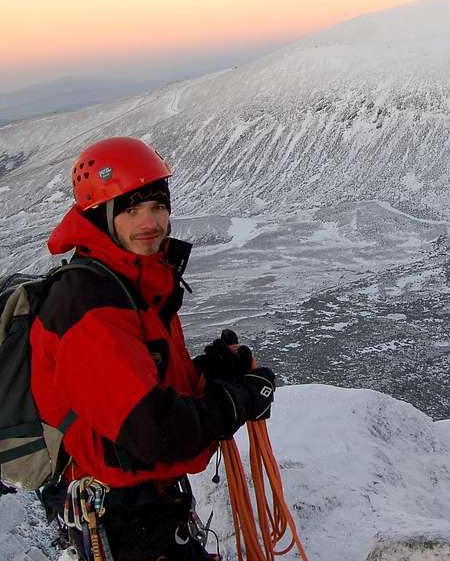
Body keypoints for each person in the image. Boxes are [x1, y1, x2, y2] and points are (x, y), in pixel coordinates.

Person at [30, 136, 275, 561]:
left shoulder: (134, 282)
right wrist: (237, 401)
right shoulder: (89, 305)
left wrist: (208, 373)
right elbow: (156, 431)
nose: (150, 222)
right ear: (100, 216)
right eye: (130, 209)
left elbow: (146, 380)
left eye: (158, 206)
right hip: (122, 518)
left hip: (144, 506)